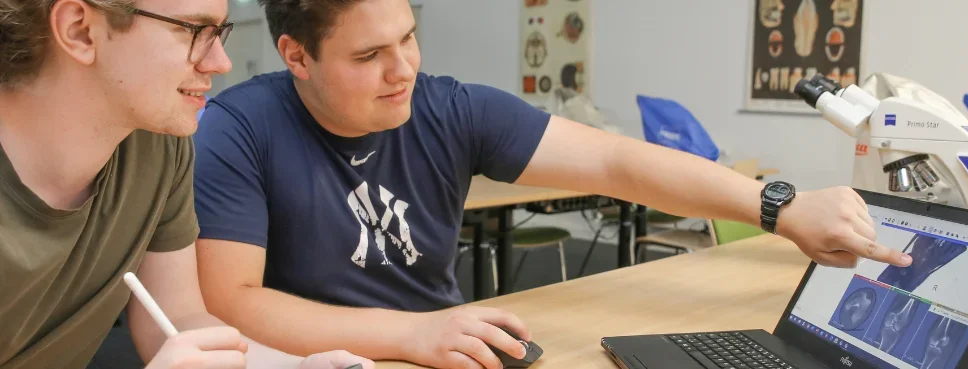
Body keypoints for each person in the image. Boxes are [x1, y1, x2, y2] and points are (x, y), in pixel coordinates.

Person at [192, 0, 913, 368]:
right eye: (370, 54)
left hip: (451, 346)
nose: (403, 68)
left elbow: (614, 162)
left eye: (409, 36)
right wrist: (411, 332)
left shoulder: (449, 107)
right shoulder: (237, 128)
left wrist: (778, 207)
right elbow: (235, 302)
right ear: (295, 55)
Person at [0, 0, 373, 368]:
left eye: (219, 33)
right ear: (79, 30)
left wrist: (297, 367)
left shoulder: (159, 146)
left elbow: (176, 320)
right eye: (193, 30)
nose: (220, 63)